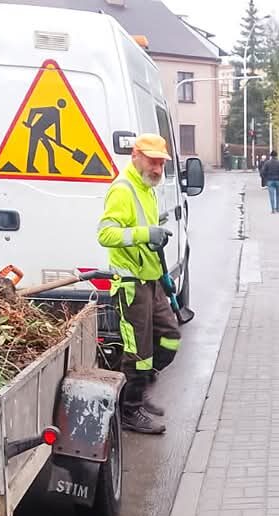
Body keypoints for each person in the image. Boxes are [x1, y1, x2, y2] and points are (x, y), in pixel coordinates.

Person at [97, 134, 182, 435]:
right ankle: (130, 409)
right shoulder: (123, 189)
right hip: (130, 284)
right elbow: (106, 234)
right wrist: (145, 234)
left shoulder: (147, 188)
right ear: (135, 156)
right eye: (152, 160)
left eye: (161, 162)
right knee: (139, 352)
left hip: (150, 281)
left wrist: (162, 274)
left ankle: (138, 390)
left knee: (170, 336)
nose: (157, 167)